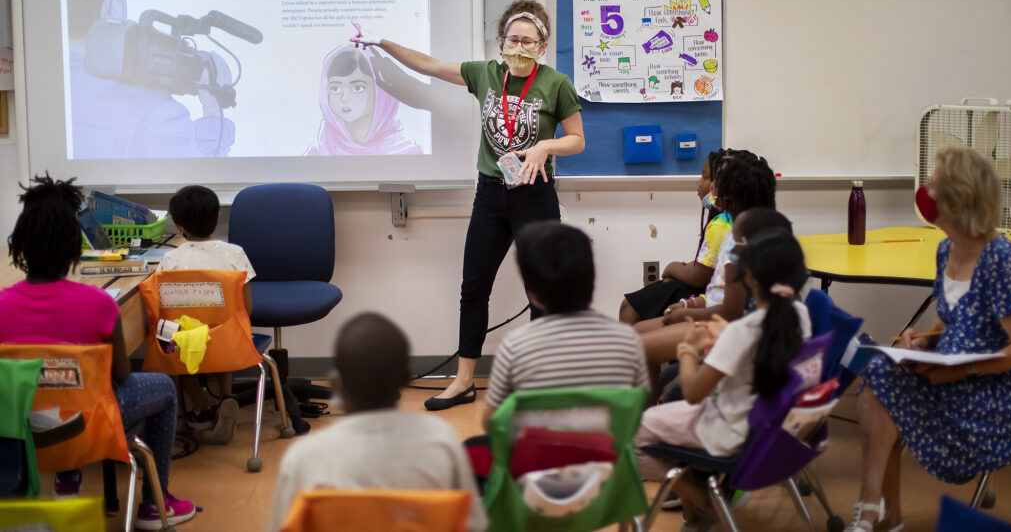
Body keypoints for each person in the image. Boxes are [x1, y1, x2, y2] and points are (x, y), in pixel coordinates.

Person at [350, 0, 585, 410]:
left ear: (542, 45)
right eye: (513, 38)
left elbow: (577, 140)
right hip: (491, 193)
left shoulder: (556, 83)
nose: (520, 46)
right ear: (501, 41)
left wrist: (546, 145)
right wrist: (382, 42)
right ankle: (463, 381)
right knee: (474, 288)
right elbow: (428, 65)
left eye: (529, 41)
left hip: (535, 194)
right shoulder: (485, 74)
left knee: (541, 293)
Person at [0, 175, 196, 529]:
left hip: (19, 427)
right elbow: (120, 374)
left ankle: (68, 475)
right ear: (75, 245)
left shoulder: (1, 305)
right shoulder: (98, 303)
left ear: (21, 245)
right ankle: (154, 505)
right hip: (86, 425)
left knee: (52, 389)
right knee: (160, 389)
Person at [846, 147, 1011, 532]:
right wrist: (921, 339)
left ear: (957, 197)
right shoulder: (946, 248)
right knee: (878, 374)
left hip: (993, 393)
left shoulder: (1001, 258)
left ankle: (877, 513)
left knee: (882, 390)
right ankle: (876, 509)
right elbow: (949, 321)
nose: (925, 191)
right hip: (948, 374)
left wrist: (963, 371)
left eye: (933, 183)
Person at [634, 228, 812, 526]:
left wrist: (689, 351)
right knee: (665, 413)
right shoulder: (799, 317)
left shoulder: (744, 332)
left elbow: (692, 392)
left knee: (630, 436)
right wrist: (723, 338)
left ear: (749, 279)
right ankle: (695, 490)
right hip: (769, 429)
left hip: (729, 434)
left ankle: (699, 500)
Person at [267, 313, 488, 532]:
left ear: (336, 384)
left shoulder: (304, 458)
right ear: (406, 378)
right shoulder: (442, 443)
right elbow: (474, 526)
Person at [481, 221, 649, 428]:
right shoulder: (628, 340)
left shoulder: (515, 346)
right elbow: (638, 409)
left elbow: (491, 422)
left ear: (532, 291)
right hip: (610, 459)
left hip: (539, 459)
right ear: (592, 277)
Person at [634, 153, 777, 391]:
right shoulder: (735, 233)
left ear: (735, 193)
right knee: (638, 332)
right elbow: (718, 291)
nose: (711, 186)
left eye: (719, 180)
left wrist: (689, 314)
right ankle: (652, 413)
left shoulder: (745, 244)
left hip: (728, 327)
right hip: (714, 314)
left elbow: (731, 312)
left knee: (639, 344)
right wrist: (691, 305)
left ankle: (654, 417)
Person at [66, 0, 235, 159]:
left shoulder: (43, 85)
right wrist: (214, 111)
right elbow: (202, 184)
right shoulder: (156, 114)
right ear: (113, 7)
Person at [155, 185, 257, 444]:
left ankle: (199, 407)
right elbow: (247, 307)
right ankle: (226, 397)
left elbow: (165, 310)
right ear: (217, 218)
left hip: (189, 342)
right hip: (228, 342)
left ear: (178, 225)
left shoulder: (170, 260)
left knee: (168, 335)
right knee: (225, 328)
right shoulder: (235, 253)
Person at [620, 149, 728, 324]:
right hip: (709, 290)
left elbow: (700, 276)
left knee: (629, 307)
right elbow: (709, 264)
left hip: (707, 292)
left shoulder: (721, 223)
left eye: (704, 176)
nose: (699, 183)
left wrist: (673, 268)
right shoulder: (727, 220)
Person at [304, 45, 423, 156]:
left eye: (357, 88)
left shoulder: (407, 153)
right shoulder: (319, 152)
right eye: (335, 89)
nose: (344, 98)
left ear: (381, 92)